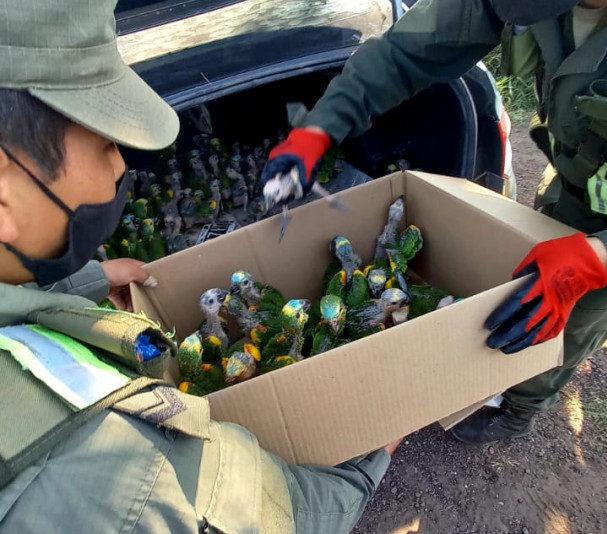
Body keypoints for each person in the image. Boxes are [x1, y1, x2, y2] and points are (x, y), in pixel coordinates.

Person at [0, 1, 403, 532]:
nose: (122, 165)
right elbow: (287, 514)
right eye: (104, 145)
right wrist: (374, 449)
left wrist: (84, 281)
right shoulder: (115, 471)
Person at [263, 0, 607, 443]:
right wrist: (321, 127)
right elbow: (411, 49)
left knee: (569, 317)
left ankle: (522, 407)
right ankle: (503, 377)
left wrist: (596, 256)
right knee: (525, 281)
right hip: (577, 177)